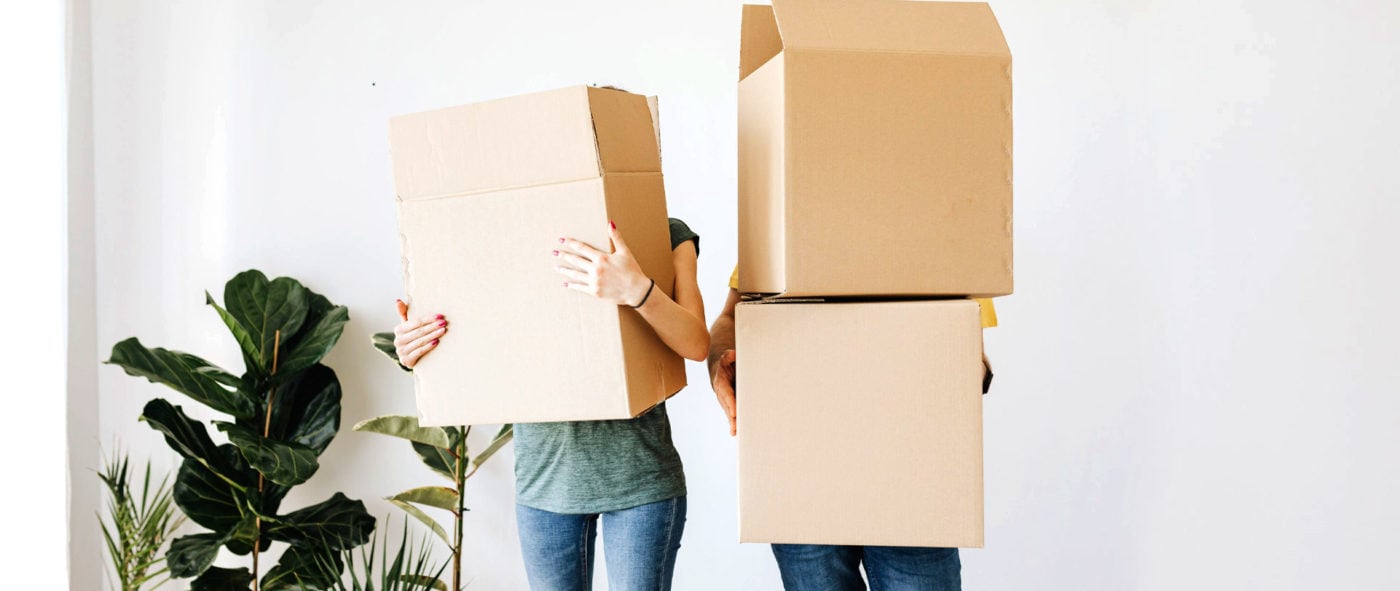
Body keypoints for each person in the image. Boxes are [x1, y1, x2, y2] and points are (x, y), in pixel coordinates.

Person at [393, 219, 708, 591]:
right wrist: (416, 348)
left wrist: (637, 290)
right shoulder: (500, 230)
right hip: (545, 484)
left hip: (641, 483)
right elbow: (474, 332)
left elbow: (697, 344)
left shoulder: (663, 230)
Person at [707, 267, 996, 591]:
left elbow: (966, 336)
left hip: (910, 475)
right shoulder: (785, 222)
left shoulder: (939, 228)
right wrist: (719, 362)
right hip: (802, 472)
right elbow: (731, 319)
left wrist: (960, 375)